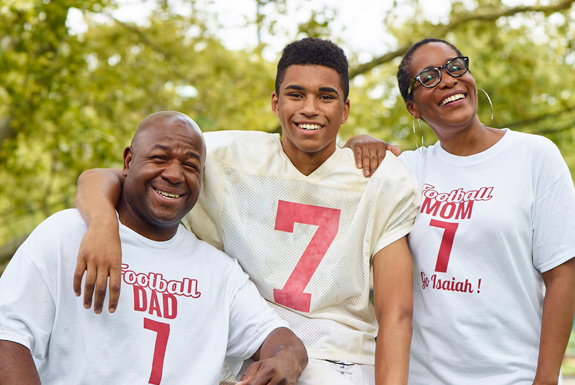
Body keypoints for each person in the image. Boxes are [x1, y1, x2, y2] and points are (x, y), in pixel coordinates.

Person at [74, 38, 420, 384]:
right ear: (276, 102)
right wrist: (103, 223)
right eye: (296, 95)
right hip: (247, 351)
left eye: (325, 97)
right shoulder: (224, 156)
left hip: (339, 358)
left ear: (344, 110)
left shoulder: (380, 179)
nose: (310, 108)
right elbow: (109, 177)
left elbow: (396, 313)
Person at [0, 111, 308, 385]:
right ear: (128, 161)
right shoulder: (67, 234)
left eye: (190, 165)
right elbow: (8, 336)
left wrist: (285, 360)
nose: (174, 174)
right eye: (159, 158)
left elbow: (281, 341)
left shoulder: (219, 271)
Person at [351, 38, 575, 385]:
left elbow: (563, 276)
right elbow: (343, 178)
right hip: (425, 377)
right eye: (428, 77)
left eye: (455, 67)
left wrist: (545, 380)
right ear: (413, 108)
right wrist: (357, 142)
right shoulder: (405, 172)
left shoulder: (534, 156)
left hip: (515, 376)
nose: (447, 79)